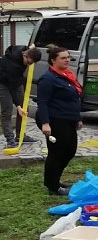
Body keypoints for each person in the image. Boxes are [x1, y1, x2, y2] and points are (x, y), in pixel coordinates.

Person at [36, 45, 83, 195]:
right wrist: (45, 123)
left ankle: (55, 180)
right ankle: (52, 186)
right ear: (53, 61)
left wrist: (78, 118)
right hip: (55, 120)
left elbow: (73, 99)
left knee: (70, 150)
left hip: (68, 119)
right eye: (63, 58)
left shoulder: (66, 75)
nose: (67, 60)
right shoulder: (48, 79)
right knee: (57, 153)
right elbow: (42, 102)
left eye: (68, 57)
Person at [0, 45, 42, 148]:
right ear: (25, 55)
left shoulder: (24, 49)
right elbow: (12, 88)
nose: (29, 65)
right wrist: (18, 106)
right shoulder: (13, 66)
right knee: (7, 111)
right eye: (28, 62)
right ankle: (10, 139)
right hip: (3, 85)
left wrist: (32, 47)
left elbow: (27, 47)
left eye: (32, 64)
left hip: (16, 82)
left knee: (25, 107)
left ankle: (20, 135)